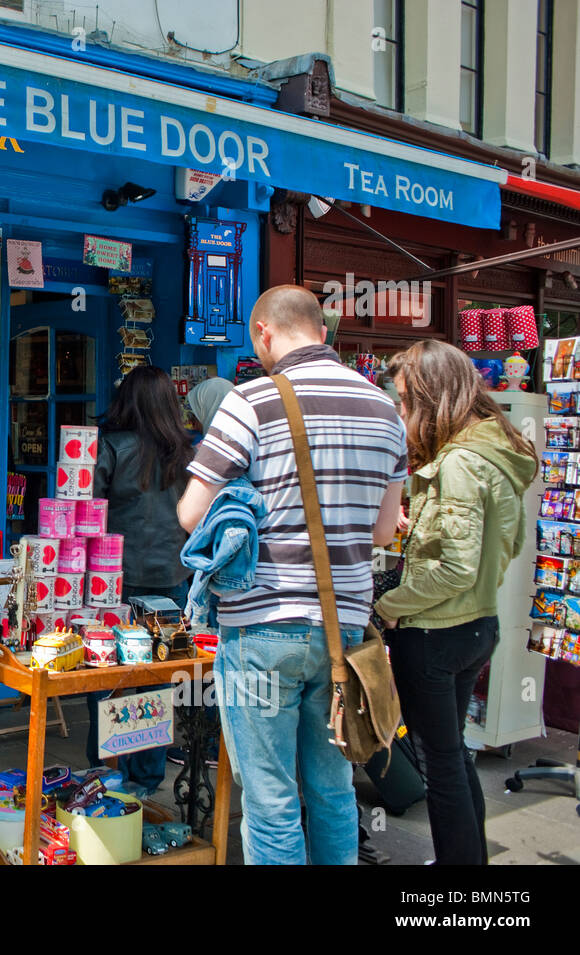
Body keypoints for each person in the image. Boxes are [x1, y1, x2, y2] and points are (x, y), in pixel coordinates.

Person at [177, 285, 407, 865]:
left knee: (271, 798)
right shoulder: (385, 410)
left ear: (263, 333)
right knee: (333, 790)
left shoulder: (251, 401)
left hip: (262, 629)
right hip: (344, 633)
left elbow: (189, 514)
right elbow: (384, 532)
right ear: (323, 329)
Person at [376, 341, 536, 865]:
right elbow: (500, 545)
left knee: (440, 764)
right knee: (452, 758)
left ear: (432, 397)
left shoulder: (461, 462)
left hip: (437, 631)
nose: (401, 412)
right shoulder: (492, 452)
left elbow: (454, 567)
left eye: (404, 401)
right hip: (475, 623)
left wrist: (391, 604)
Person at [86, 365, 194, 796]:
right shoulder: (187, 453)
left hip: (117, 580)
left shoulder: (109, 447)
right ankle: (145, 779)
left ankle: (105, 773)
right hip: (173, 578)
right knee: (157, 682)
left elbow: (87, 512)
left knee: (104, 676)